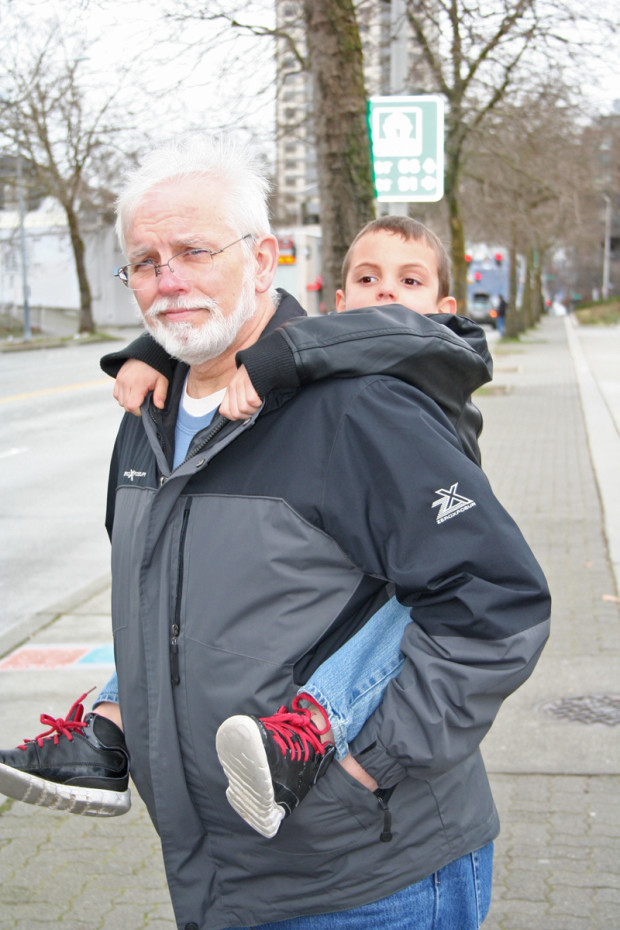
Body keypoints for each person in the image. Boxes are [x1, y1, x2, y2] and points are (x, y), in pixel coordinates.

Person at [1, 136, 550, 930]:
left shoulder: (360, 406)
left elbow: (496, 602)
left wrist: (368, 770)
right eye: (145, 262)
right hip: (214, 880)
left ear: (263, 262)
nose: (169, 280)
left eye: (194, 250)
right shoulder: (147, 414)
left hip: (367, 880)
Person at [0, 216, 491, 822]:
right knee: (179, 595)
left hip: (420, 548)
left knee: (400, 610)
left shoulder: (440, 351)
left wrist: (363, 772)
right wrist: (155, 351)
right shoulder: (333, 358)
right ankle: (108, 727)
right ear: (338, 302)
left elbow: (374, 337)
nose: (387, 292)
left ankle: (315, 727)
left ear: (443, 305)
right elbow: (265, 333)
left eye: (409, 280)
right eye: (368, 277)